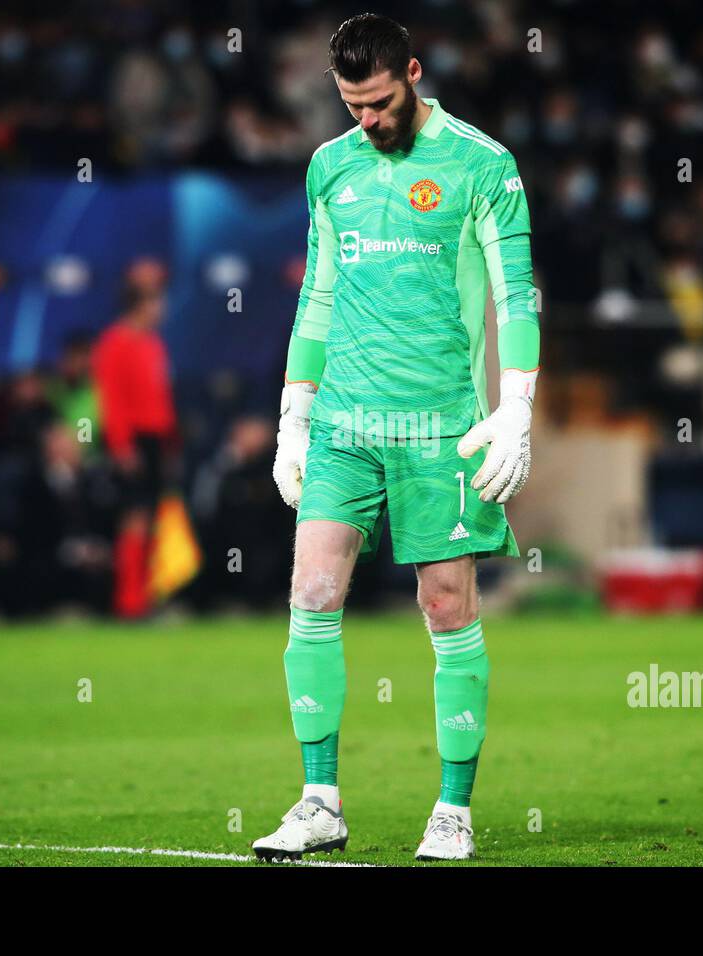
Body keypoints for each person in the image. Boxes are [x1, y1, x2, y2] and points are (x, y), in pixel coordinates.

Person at [253, 14, 539, 862]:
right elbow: (320, 296)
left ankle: (452, 810)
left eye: (379, 103)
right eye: (352, 106)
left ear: (413, 73)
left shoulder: (483, 166)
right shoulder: (329, 167)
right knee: (310, 594)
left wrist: (515, 406)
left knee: (446, 605)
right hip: (345, 421)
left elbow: (517, 296)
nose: (367, 121)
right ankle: (319, 801)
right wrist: (293, 415)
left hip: (439, 428)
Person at [92, 260, 178, 619]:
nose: (163, 308)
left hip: (157, 440)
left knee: (154, 519)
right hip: (135, 442)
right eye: (157, 301)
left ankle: (148, 595)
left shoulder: (153, 343)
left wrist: (172, 443)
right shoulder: (114, 343)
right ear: (142, 304)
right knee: (134, 519)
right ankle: (129, 602)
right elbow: (111, 400)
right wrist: (122, 447)